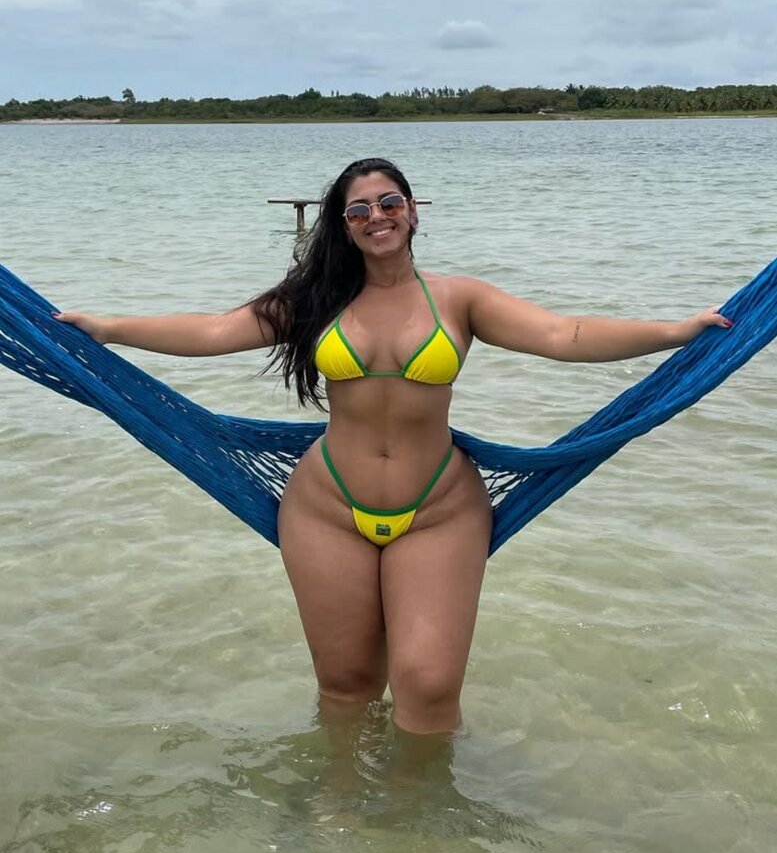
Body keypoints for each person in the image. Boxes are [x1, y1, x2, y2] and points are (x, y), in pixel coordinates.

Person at [53, 157, 732, 737]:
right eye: (358, 210)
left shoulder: (459, 299)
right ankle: (341, 807)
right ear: (341, 225)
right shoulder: (314, 300)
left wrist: (674, 332)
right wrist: (108, 329)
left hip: (439, 508)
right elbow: (211, 331)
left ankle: (419, 822)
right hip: (326, 508)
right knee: (346, 684)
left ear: (412, 211)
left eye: (388, 202)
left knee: (429, 685)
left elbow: (564, 335)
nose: (376, 216)